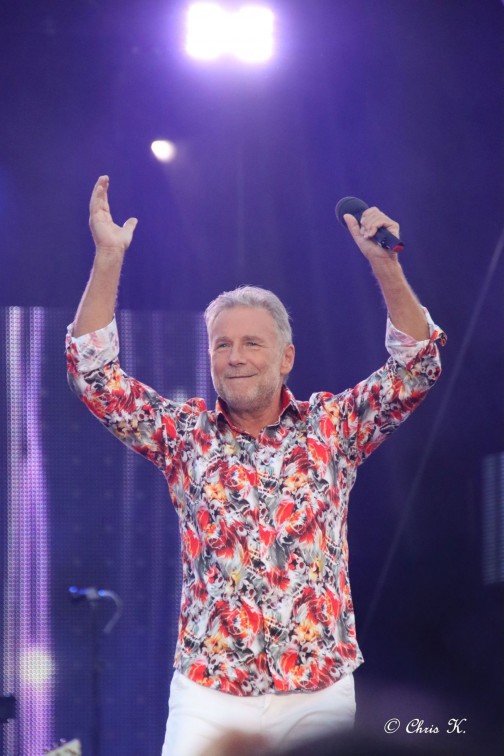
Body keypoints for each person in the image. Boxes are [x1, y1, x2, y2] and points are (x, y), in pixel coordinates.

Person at [66, 176, 445, 756]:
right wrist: (108, 258)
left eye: (251, 343)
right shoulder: (184, 436)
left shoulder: (332, 427)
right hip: (209, 691)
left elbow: (417, 367)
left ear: (287, 357)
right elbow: (94, 377)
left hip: (317, 692)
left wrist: (385, 266)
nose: (235, 357)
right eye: (222, 344)